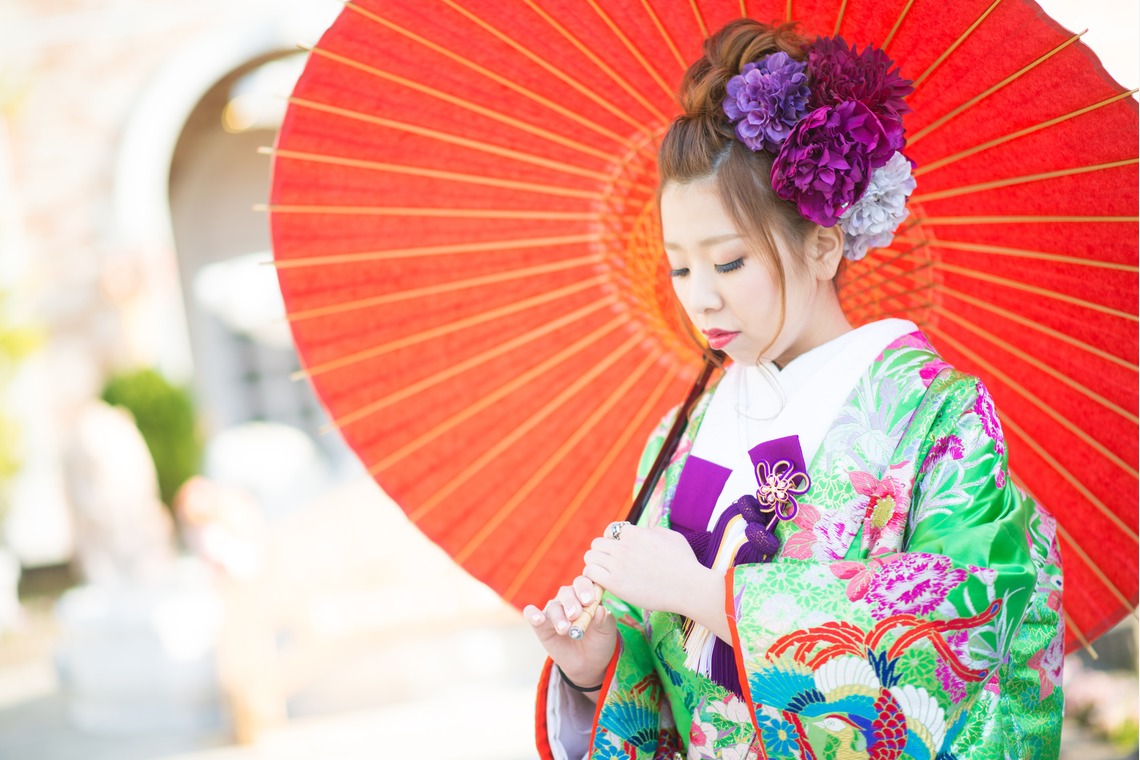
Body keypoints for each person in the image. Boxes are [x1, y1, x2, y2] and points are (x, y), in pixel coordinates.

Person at [523, 17, 1065, 760]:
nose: (700, 299)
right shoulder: (681, 437)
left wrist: (710, 597)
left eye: (729, 262)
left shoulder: (937, 415)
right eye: (680, 267)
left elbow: (970, 640)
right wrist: (596, 667)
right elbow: (662, 674)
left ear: (823, 244)